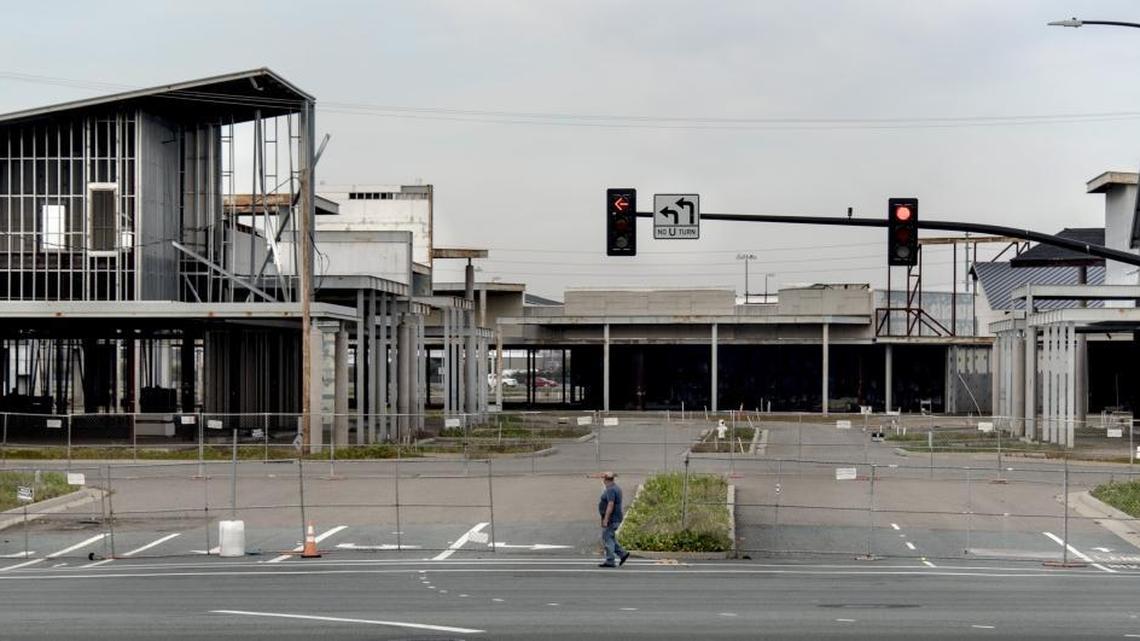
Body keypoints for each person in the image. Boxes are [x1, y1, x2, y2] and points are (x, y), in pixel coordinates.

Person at [598, 471, 630, 568]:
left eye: (604, 478)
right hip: (616, 517)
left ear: (606, 480)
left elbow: (610, 504)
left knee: (607, 538)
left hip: (611, 518)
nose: (603, 480)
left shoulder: (611, 490)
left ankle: (610, 560)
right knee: (610, 538)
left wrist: (606, 519)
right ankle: (622, 554)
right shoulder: (616, 488)